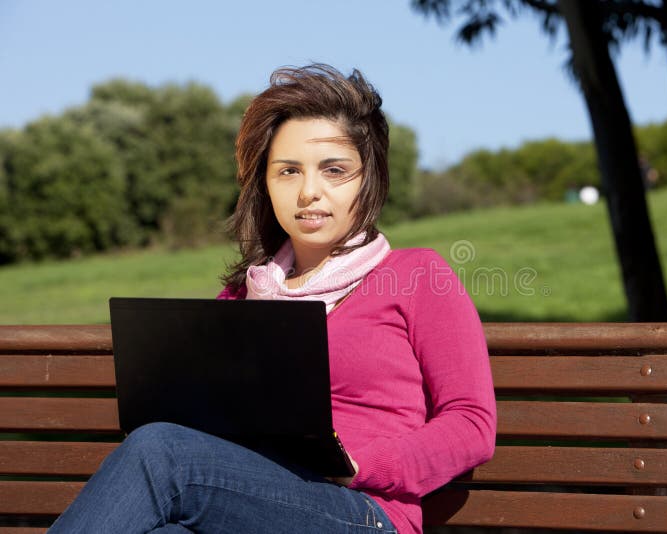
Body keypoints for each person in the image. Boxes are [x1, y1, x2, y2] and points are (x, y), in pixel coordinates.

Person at [49, 64, 496, 534]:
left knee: (159, 451)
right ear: (265, 183)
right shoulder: (247, 293)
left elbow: (471, 424)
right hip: (248, 501)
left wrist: (359, 465)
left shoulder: (415, 275)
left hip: (363, 512)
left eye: (334, 170)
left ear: (369, 178)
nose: (308, 192)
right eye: (288, 171)